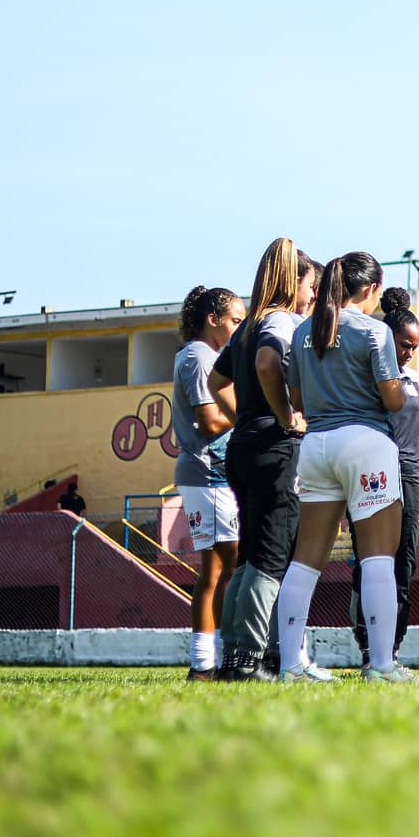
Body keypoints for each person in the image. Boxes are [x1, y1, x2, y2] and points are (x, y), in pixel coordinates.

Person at [281, 252, 413, 684]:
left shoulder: (304, 330)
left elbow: (297, 401)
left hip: (315, 445)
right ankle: (381, 665)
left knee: (305, 561)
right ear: (372, 290)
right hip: (365, 444)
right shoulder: (374, 331)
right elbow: (394, 400)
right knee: (378, 556)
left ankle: (290, 666)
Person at [211, 239, 319, 681]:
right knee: (272, 558)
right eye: (310, 286)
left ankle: (233, 658)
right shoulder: (280, 320)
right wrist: (284, 417)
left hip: (244, 446)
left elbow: (217, 381)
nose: (313, 296)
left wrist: (247, 418)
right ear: (292, 282)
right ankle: (250, 661)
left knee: (251, 556)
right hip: (275, 450)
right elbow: (268, 362)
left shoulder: (246, 325)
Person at [352, 288, 419, 670]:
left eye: (414, 346)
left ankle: (393, 648)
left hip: (410, 474)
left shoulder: (414, 379)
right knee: (373, 559)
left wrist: (412, 437)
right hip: (376, 472)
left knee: (406, 563)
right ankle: (368, 644)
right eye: (404, 345)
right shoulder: (374, 376)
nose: (409, 353)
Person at [173, 284, 244, 682]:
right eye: (234, 320)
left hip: (213, 473)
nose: (239, 326)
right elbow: (210, 421)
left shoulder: (206, 356)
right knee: (222, 569)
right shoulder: (200, 357)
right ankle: (205, 665)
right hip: (208, 472)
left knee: (218, 569)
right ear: (213, 320)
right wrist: (253, 408)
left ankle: (206, 663)